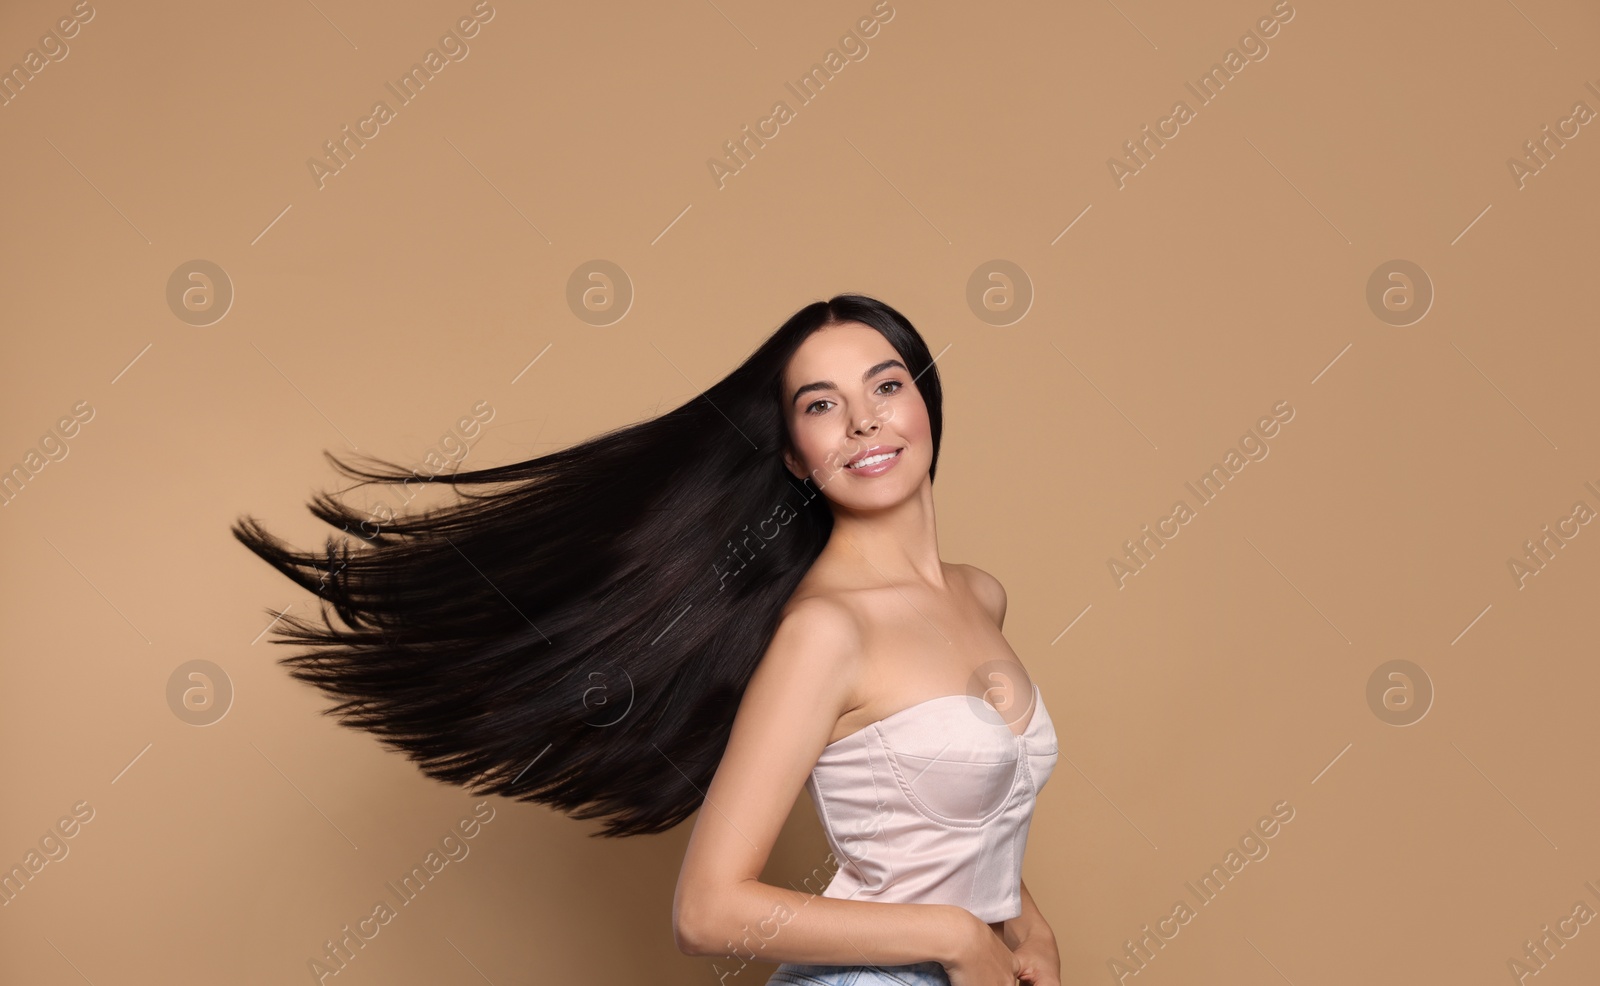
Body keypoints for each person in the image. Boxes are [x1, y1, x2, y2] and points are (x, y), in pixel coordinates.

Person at [230, 294, 1060, 986]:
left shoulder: (979, 594)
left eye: (885, 387)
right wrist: (955, 936)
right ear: (797, 458)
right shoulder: (824, 632)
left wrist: (1025, 926)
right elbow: (707, 911)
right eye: (821, 405)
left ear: (927, 402)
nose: (862, 423)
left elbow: (957, 814)